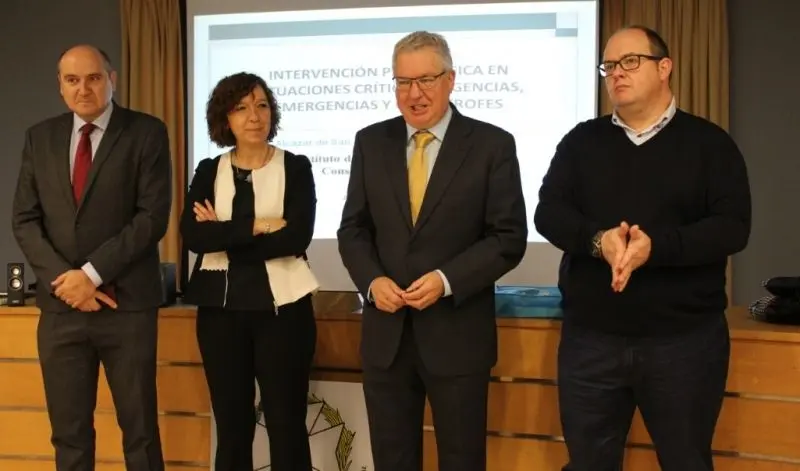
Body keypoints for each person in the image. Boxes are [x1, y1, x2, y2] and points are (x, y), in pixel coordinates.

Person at [533, 26, 751, 471]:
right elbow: (548, 213)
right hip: (591, 340)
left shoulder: (711, 144)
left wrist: (657, 249)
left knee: (687, 461)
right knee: (588, 463)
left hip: (684, 343)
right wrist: (599, 241)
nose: (617, 73)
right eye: (609, 66)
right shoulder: (581, 142)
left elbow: (732, 229)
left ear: (664, 67)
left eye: (630, 61)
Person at [337, 31, 528, 471]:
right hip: (387, 339)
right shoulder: (370, 142)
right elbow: (353, 229)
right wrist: (372, 281)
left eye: (425, 80)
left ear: (450, 80)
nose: (414, 94)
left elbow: (508, 238)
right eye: (403, 82)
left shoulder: (492, 145)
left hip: (457, 337)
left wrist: (446, 281)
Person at [11, 45, 171, 470]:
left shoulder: (146, 132)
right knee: (69, 437)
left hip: (126, 307)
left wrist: (92, 275)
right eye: (73, 80)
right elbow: (24, 220)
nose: (83, 89)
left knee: (140, 434)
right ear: (61, 87)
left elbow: (151, 217)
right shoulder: (40, 137)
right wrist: (67, 282)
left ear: (111, 80)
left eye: (94, 78)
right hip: (61, 308)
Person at [180, 72, 319, 471]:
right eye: (241, 108)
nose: (254, 116)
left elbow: (297, 238)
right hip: (221, 315)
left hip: (284, 313)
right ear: (225, 119)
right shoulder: (209, 170)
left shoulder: (296, 167)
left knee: (287, 425)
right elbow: (194, 236)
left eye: (261, 105)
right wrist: (258, 226)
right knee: (233, 428)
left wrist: (223, 234)